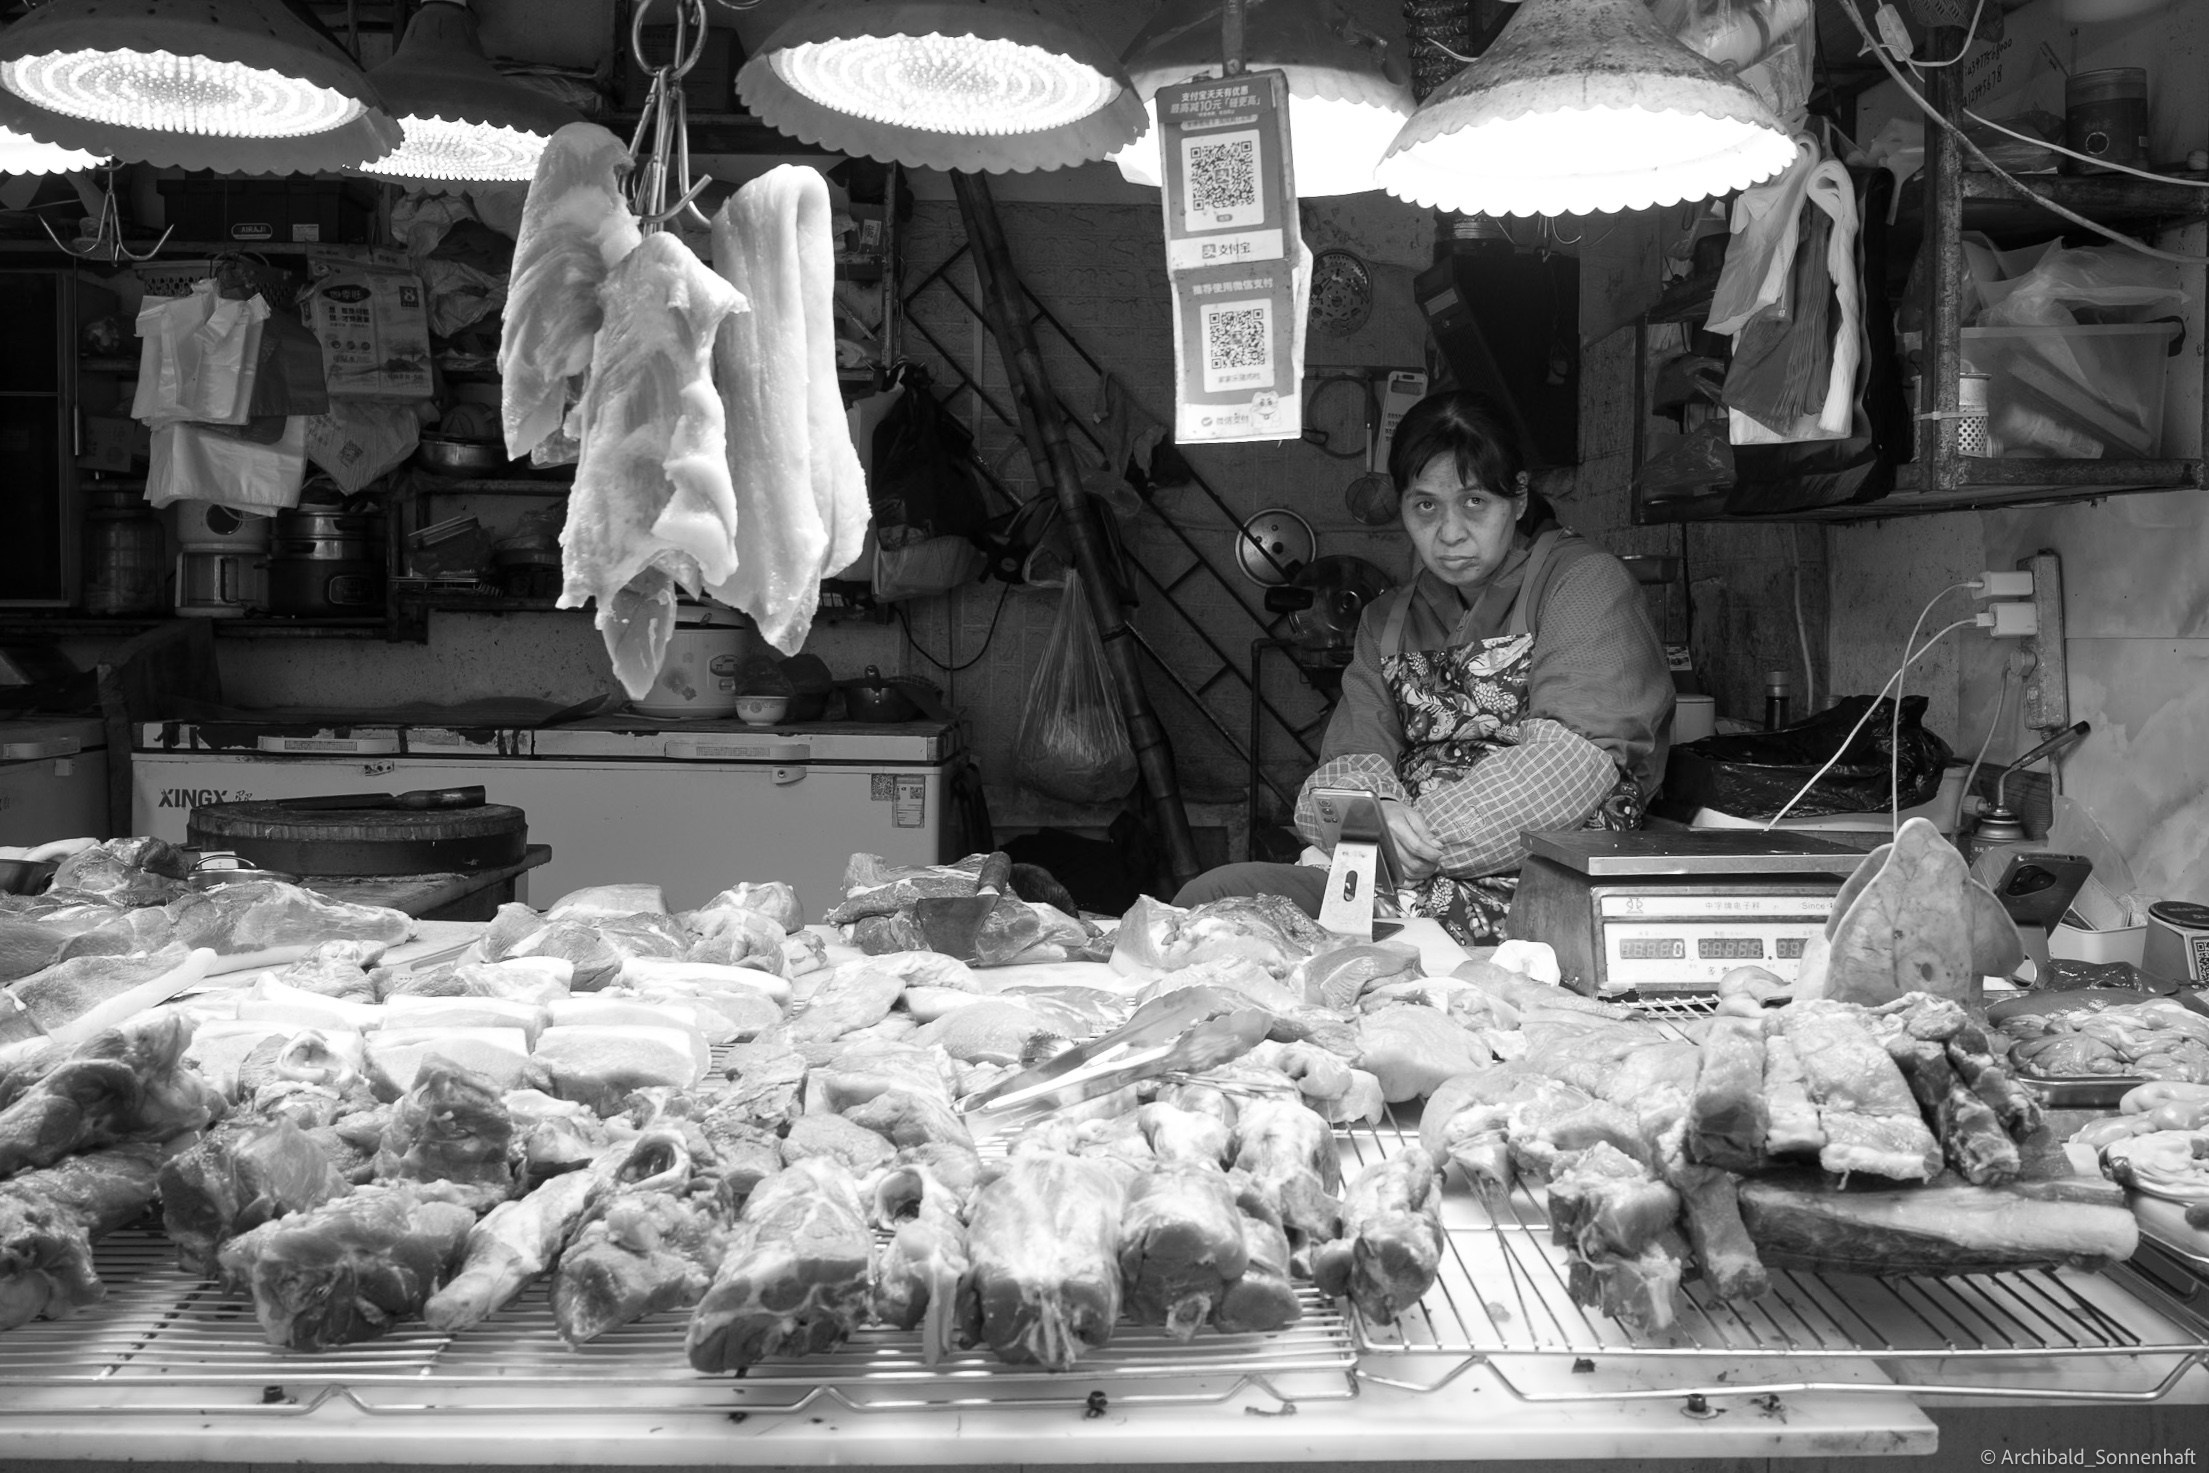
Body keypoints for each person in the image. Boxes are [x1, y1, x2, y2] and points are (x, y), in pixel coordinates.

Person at [1177, 391, 1674, 945]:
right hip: (1396, 881)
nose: (1451, 532)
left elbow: (1568, 769)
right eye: (1426, 506)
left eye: (1475, 502)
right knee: (1209, 904)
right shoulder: (1386, 620)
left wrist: (1400, 843)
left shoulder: (1582, 584)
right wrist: (1376, 812)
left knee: (1224, 915)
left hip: (1540, 890)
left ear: (1517, 496)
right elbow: (1346, 765)